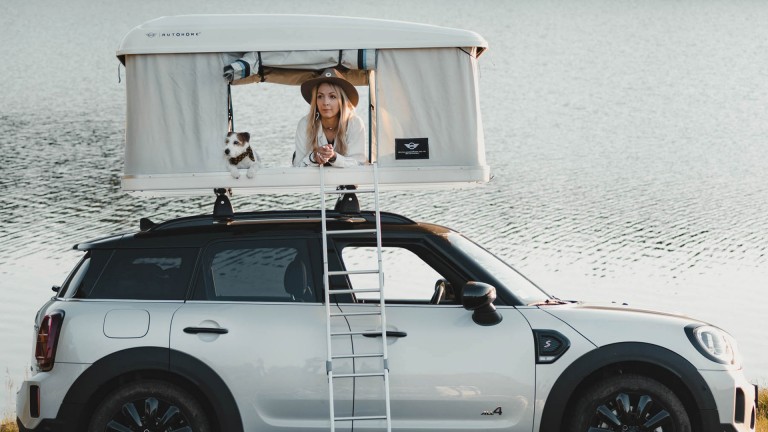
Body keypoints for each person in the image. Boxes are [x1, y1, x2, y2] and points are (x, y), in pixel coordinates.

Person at [293, 68, 366, 167]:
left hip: (347, 182)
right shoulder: (305, 124)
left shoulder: (355, 123)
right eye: (320, 96)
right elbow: (298, 166)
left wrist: (334, 157)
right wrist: (313, 157)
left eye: (332, 97)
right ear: (315, 101)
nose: (325, 102)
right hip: (313, 182)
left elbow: (359, 164)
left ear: (342, 100)